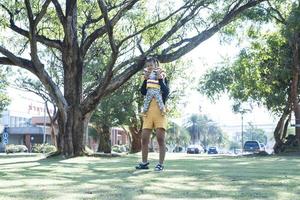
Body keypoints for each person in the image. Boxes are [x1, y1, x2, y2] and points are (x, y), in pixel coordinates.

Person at [136, 57, 170, 171]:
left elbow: (166, 92)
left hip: (160, 112)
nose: (150, 66)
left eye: (152, 64)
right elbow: (143, 92)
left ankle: (160, 164)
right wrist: (145, 80)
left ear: (157, 65)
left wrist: (160, 79)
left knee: (160, 139)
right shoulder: (148, 78)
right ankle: (144, 163)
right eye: (148, 65)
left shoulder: (163, 76)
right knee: (144, 139)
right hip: (148, 113)